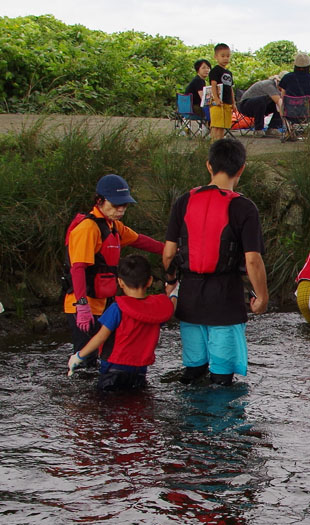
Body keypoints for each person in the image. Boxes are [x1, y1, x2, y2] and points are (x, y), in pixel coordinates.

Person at [162, 138, 269, 385]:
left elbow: (169, 253)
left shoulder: (184, 202)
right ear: (241, 168)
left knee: (192, 371)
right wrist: (262, 297)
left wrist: (169, 282)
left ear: (209, 166)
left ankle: (190, 422)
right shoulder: (244, 207)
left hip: (189, 298)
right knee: (222, 377)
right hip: (225, 299)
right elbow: (252, 260)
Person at [63, 174, 165, 370]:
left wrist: (168, 250)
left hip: (103, 304)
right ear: (99, 201)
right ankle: (80, 397)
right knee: (86, 359)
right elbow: (78, 269)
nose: (121, 210)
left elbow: (139, 240)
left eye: (124, 205)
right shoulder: (88, 228)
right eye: (116, 204)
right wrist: (82, 306)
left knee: (104, 355)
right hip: (83, 305)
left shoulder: (113, 226)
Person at [67, 255, 176, 391]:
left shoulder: (117, 308)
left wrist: (79, 356)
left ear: (120, 282)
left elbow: (101, 337)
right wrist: (174, 293)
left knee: (108, 406)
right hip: (140, 371)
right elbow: (170, 307)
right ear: (149, 281)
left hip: (113, 369)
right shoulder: (157, 308)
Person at [278, 52, 310, 141]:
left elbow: (283, 97)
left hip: (289, 114)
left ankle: (289, 131)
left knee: (281, 103)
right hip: (308, 114)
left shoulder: (286, 78)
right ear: (309, 65)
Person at [208, 43, 235, 141]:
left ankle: (220, 144)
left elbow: (230, 88)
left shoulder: (229, 73)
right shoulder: (215, 71)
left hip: (227, 103)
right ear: (216, 57)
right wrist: (216, 99)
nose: (225, 58)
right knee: (216, 126)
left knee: (223, 126)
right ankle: (214, 145)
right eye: (222, 56)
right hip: (217, 104)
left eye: (227, 56)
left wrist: (233, 103)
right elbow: (213, 85)